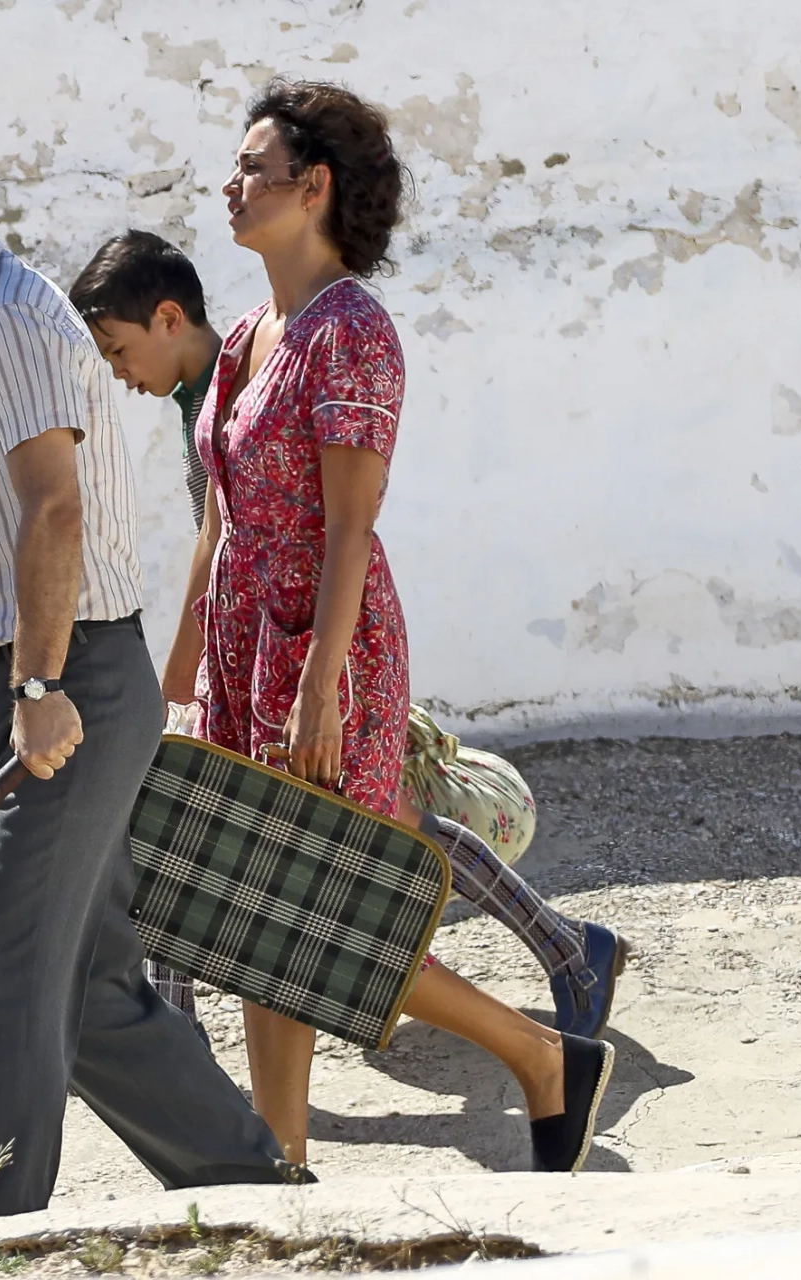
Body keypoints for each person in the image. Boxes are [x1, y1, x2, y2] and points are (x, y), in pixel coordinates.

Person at [0, 106, 297, 1230]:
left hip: (74, 680)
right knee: (86, 994)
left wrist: (35, 690)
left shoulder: (15, 323)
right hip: (33, 674)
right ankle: (259, 1192)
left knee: (8, 984)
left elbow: (54, 511)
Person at [168, 79, 614, 1174]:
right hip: (240, 647)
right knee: (263, 914)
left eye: (251, 168)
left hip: (324, 643)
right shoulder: (241, 340)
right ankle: (281, 1162)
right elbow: (218, 517)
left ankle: (541, 1055)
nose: (228, 185)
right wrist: (185, 679)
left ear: (312, 187)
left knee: (329, 906)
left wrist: (321, 682)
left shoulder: (351, 333)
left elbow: (351, 526)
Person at [67, 230, 630, 1041]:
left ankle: (556, 996)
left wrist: (239, 681)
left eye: (119, 351)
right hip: (258, 655)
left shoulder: (279, 362)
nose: (121, 376)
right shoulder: (225, 374)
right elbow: (222, 543)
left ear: (165, 319)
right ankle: (567, 952)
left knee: (314, 853)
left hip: (307, 656)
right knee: (234, 841)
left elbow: (322, 527)